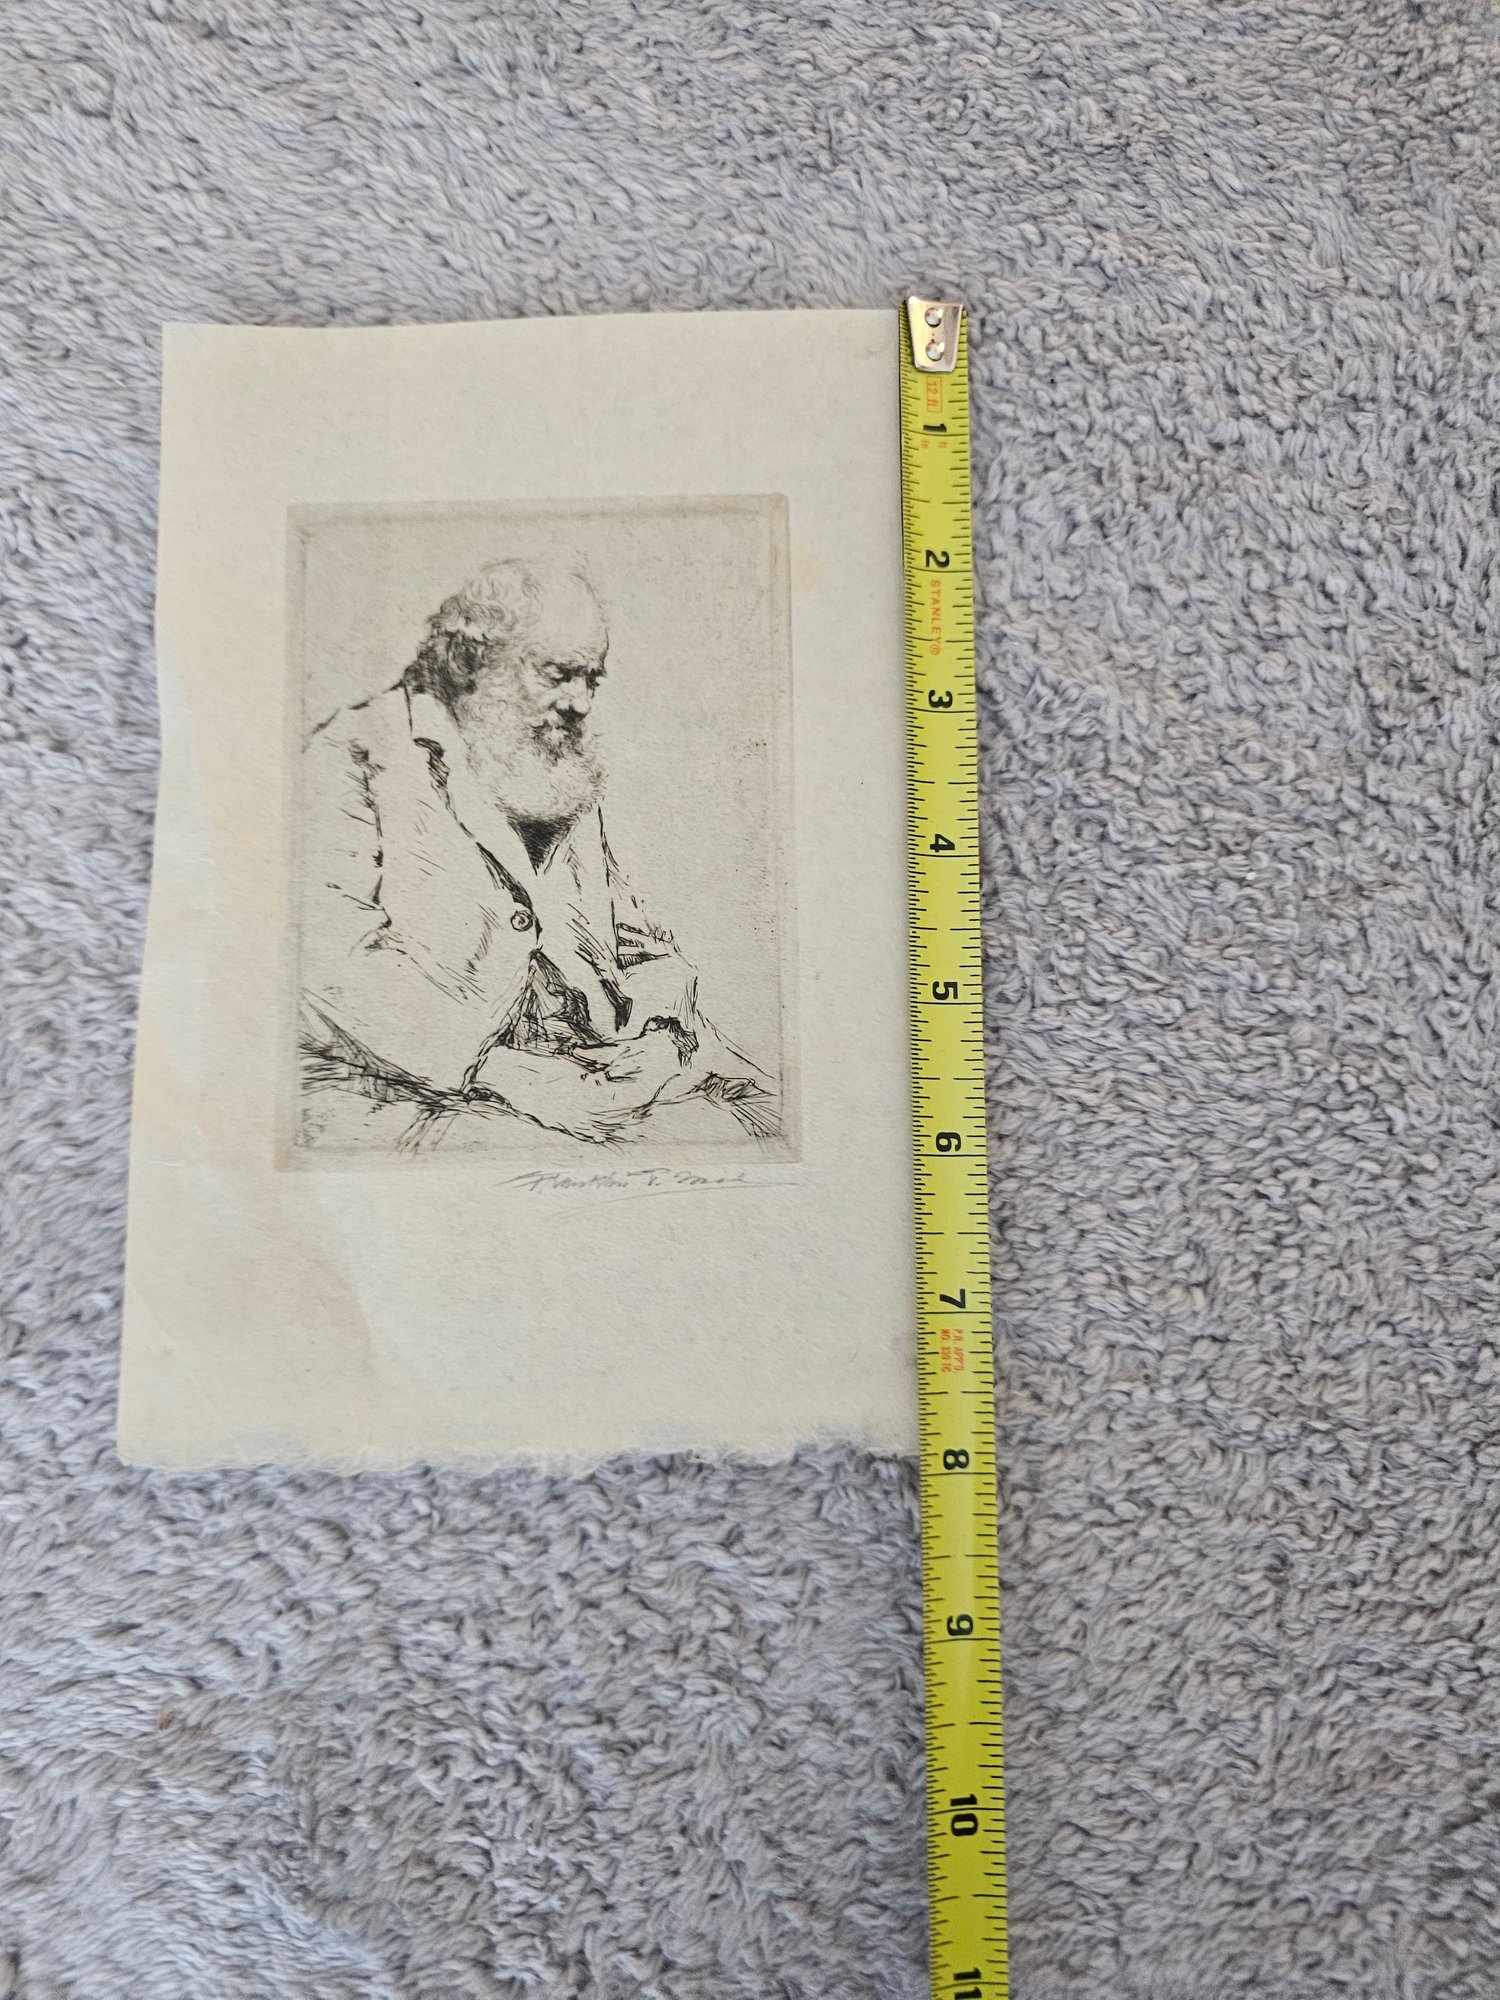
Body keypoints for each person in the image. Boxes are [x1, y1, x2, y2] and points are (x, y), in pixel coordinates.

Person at [297, 556, 776, 1148]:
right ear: (468, 661)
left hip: (597, 1067)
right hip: (422, 1089)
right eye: (559, 674)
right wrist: (504, 1074)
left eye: (591, 679)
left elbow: (632, 933)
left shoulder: (557, 768)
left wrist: (660, 1031)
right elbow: (328, 968)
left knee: (761, 1116)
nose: (580, 702)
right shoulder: (354, 752)